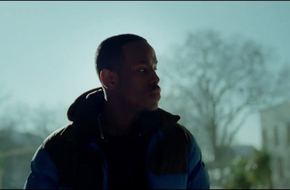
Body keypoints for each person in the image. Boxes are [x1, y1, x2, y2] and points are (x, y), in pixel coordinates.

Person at [24, 34, 210, 189]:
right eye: (143, 70)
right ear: (109, 79)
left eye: (154, 68)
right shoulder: (59, 148)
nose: (156, 78)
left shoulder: (179, 142)